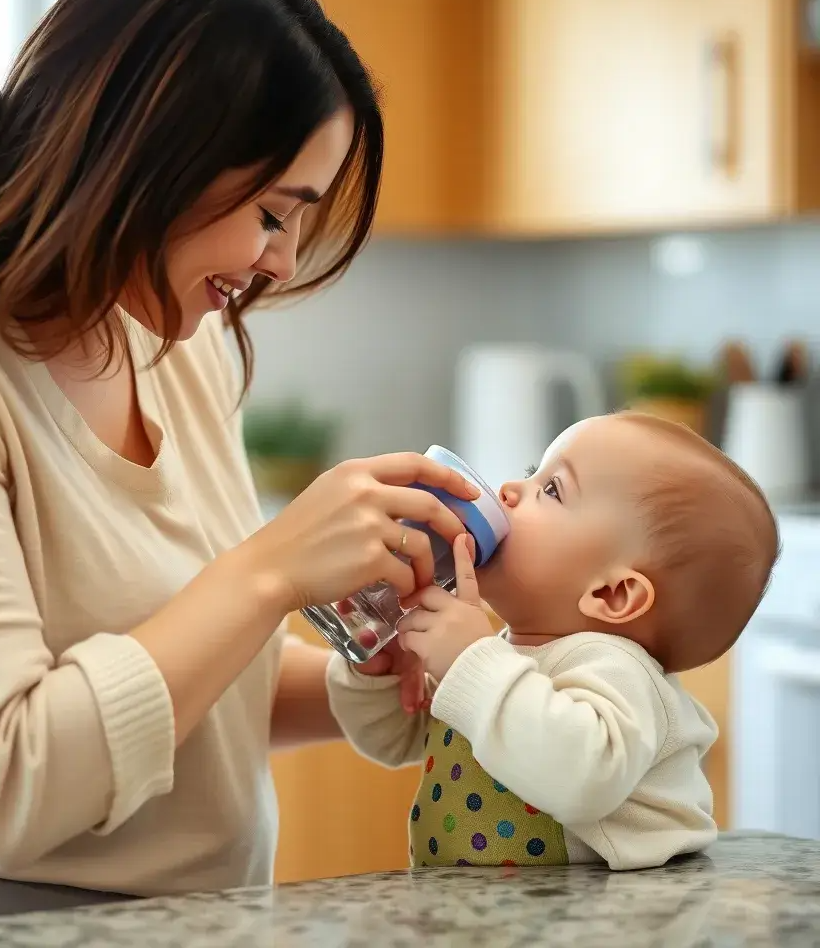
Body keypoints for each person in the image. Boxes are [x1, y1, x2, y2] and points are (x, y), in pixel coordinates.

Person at [0, 0, 477, 896]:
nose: (285, 263)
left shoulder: (183, 345)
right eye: (272, 214)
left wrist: (393, 666)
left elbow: (198, 696)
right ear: (148, 153)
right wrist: (268, 573)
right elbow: (14, 777)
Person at [328, 412, 780, 870]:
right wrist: (377, 672)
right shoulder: (497, 658)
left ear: (612, 593)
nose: (507, 489)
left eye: (552, 489)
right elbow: (394, 741)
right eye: (532, 473)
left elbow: (582, 777)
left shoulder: (617, 670)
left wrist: (469, 662)